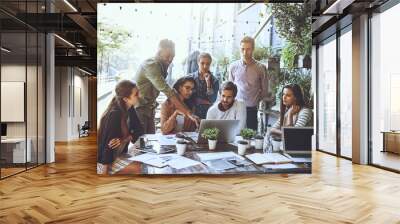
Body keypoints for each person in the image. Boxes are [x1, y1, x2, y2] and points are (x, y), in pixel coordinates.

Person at [134, 39, 199, 134]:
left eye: (173, 56)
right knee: (140, 142)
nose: (170, 59)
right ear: (159, 53)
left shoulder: (162, 65)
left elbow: (171, 91)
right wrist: (188, 113)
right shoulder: (151, 65)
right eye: (168, 56)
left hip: (149, 108)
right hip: (140, 108)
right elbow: (168, 91)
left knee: (150, 141)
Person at [97, 80, 144, 174]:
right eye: (136, 94)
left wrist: (125, 139)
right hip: (104, 161)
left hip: (119, 155)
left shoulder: (130, 108)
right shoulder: (114, 115)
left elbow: (139, 132)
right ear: (126, 99)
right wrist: (104, 173)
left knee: (144, 163)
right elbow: (108, 146)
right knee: (140, 169)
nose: (140, 96)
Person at [228, 36, 268, 131]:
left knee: (251, 137)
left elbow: (265, 90)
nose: (245, 52)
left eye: (248, 49)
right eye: (242, 49)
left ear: (253, 49)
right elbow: (229, 88)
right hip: (236, 107)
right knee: (234, 135)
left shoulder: (261, 68)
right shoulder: (233, 67)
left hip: (252, 109)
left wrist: (256, 101)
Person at [189, 52, 219, 119]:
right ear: (198, 63)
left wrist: (208, 83)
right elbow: (188, 97)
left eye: (207, 64)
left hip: (208, 113)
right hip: (192, 113)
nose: (205, 66)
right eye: (202, 63)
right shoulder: (190, 78)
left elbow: (212, 100)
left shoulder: (214, 81)